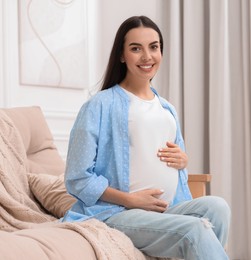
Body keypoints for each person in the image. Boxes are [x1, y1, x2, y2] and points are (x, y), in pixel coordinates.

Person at [62, 15, 230, 259]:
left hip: (167, 210)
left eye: (154, 47)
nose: (147, 56)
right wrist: (130, 200)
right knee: (193, 229)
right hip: (117, 212)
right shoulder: (99, 105)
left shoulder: (167, 108)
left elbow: (172, 164)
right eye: (135, 49)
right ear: (122, 55)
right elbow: (77, 178)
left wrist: (183, 161)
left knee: (218, 207)